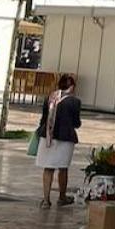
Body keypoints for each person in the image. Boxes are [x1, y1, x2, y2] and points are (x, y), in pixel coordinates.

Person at [35, 74, 82, 208]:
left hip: (47, 136)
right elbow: (76, 123)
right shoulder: (74, 102)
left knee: (48, 168)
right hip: (65, 138)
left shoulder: (49, 98)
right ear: (72, 86)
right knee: (63, 167)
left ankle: (46, 200)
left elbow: (44, 119)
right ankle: (62, 197)